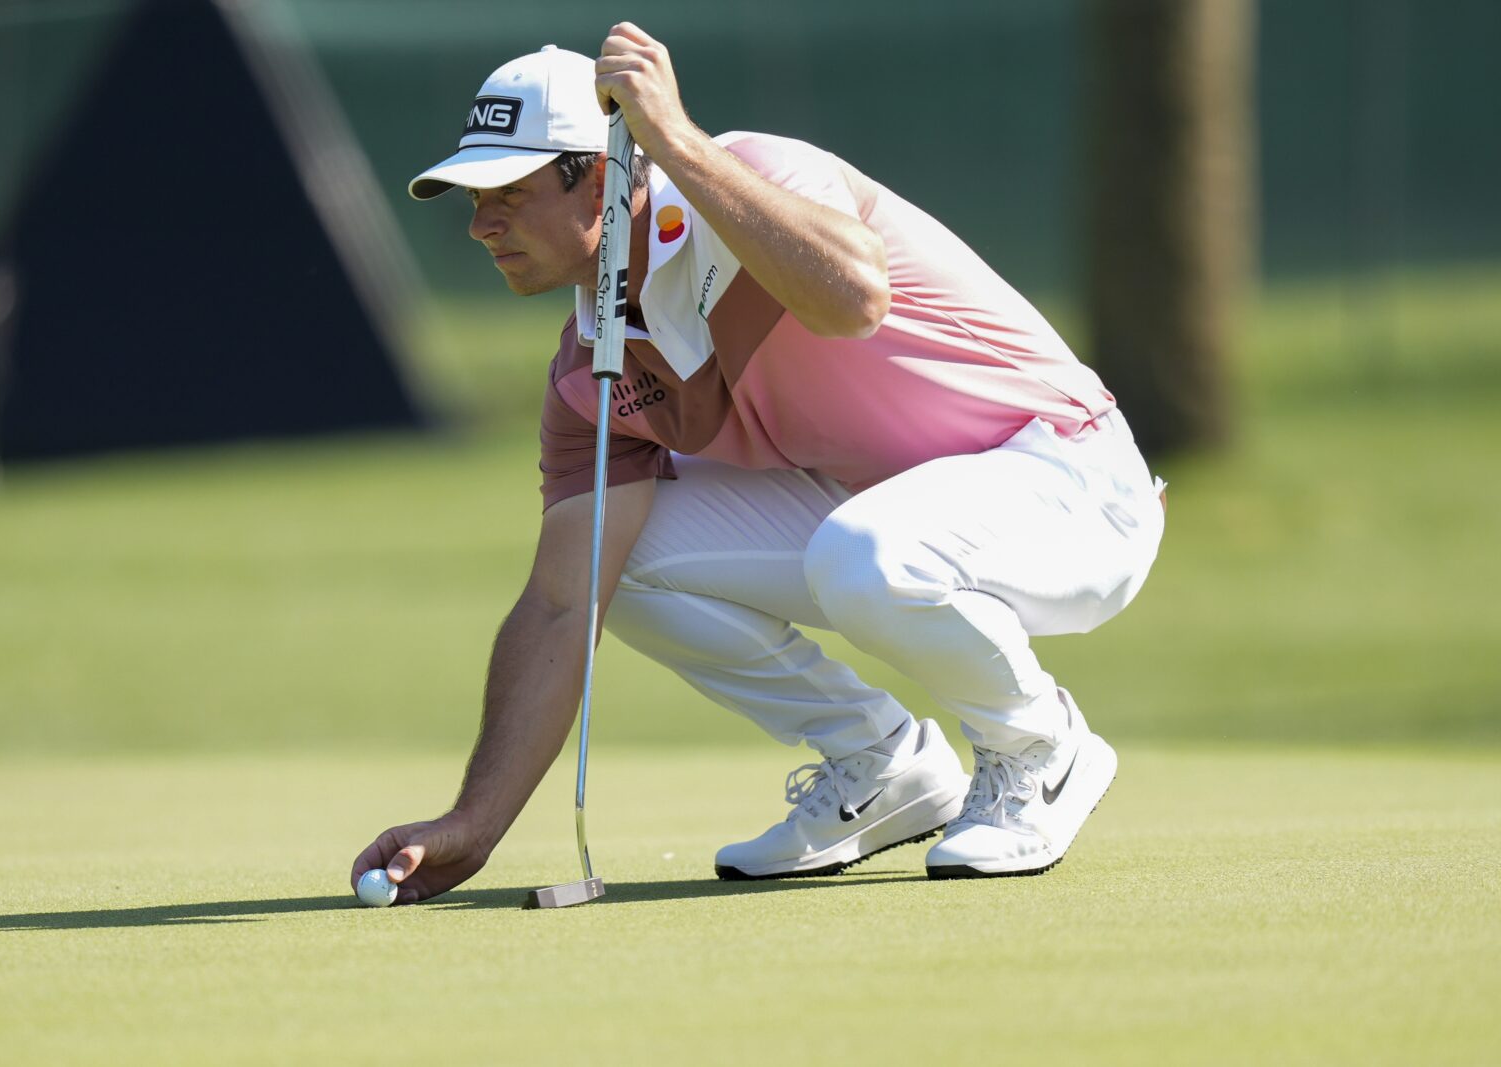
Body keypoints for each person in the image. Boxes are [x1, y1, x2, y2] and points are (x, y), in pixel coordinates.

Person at [350, 24, 1166, 902]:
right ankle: (881, 764)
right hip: (887, 517)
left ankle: (1041, 747)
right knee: (616, 563)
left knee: (867, 552)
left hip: (1071, 481)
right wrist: (474, 821)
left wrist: (676, 140)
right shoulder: (589, 373)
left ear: (598, 172)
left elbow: (854, 297)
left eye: (506, 193)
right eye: (473, 202)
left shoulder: (753, 174)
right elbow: (560, 604)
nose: (480, 226)